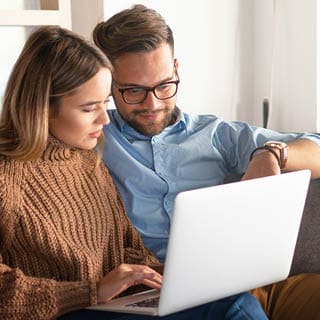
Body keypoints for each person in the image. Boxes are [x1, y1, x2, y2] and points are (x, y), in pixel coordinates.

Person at [0, 25, 269, 320]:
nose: (105, 118)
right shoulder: (7, 174)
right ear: (44, 108)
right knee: (232, 309)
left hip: (108, 306)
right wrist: (91, 292)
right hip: (63, 311)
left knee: (233, 301)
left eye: (105, 103)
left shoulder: (87, 162)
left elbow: (126, 251)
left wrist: (170, 276)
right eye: (90, 109)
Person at [92, 4, 320, 319]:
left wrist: (272, 153)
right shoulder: (92, 137)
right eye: (133, 91)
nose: (152, 104)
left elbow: (316, 146)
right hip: (151, 291)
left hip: (240, 281)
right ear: (108, 83)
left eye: (163, 85)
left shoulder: (214, 134)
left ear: (175, 67)